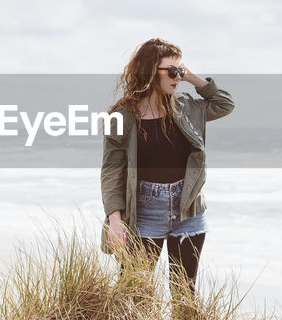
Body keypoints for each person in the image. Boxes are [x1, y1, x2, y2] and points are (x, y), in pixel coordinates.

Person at [100, 38, 234, 296]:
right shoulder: (121, 115)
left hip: (188, 209)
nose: (177, 77)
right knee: (134, 295)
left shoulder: (185, 106)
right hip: (144, 211)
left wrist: (193, 78)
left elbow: (224, 104)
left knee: (185, 294)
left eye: (179, 70)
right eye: (172, 71)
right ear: (151, 71)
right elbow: (111, 171)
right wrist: (115, 220)